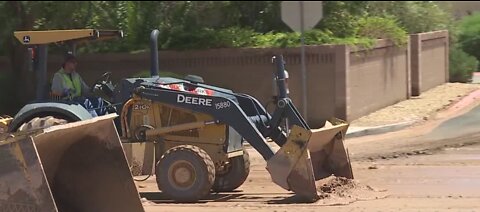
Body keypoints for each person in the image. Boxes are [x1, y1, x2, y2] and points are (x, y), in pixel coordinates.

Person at [51, 52, 106, 116]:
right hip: (66, 102)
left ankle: (104, 118)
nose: (76, 64)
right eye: (73, 62)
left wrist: (93, 89)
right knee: (85, 102)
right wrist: (65, 92)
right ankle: (95, 120)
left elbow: (85, 90)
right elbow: (55, 92)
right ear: (67, 63)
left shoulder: (76, 75)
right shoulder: (58, 76)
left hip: (78, 100)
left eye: (75, 62)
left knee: (97, 100)